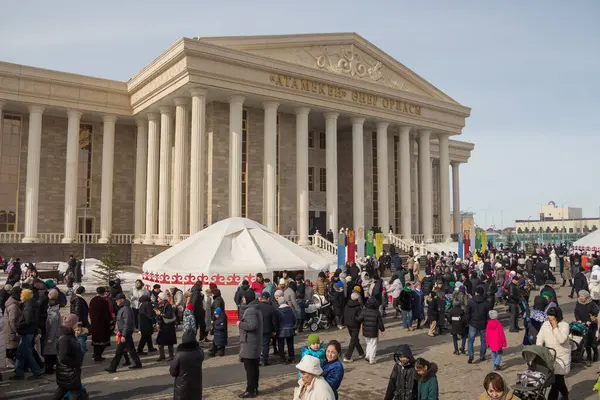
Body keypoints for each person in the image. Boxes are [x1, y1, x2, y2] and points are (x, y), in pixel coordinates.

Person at [536, 306, 570, 400]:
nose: (550, 318)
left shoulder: (564, 325)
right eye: (549, 316)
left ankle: (563, 394)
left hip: (561, 356)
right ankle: (563, 393)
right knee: (554, 380)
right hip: (549, 356)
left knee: (557, 379)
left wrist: (555, 328)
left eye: (553, 316)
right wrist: (539, 348)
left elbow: (561, 340)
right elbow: (540, 337)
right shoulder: (545, 324)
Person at [53, 314, 87, 399]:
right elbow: (63, 357)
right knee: (75, 393)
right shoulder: (65, 338)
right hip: (69, 373)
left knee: (62, 391)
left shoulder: (68, 335)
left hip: (67, 373)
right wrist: (75, 363)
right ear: (72, 324)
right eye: (76, 323)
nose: (78, 325)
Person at [105, 293, 142, 372]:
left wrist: (123, 335)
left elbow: (127, 322)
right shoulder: (124, 308)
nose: (116, 302)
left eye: (117, 300)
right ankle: (137, 363)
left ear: (121, 300)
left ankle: (112, 367)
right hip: (124, 331)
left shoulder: (125, 309)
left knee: (119, 351)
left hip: (125, 332)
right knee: (130, 349)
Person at [12, 288, 43, 380]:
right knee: (20, 353)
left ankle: (36, 372)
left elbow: (28, 321)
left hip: (27, 332)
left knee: (27, 354)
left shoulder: (29, 307)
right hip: (29, 332)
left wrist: (18, 325)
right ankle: (19, 373)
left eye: (22, 296)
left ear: (25, 297)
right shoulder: (32, 305)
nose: (20, 297)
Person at [237, 291, 263, 398]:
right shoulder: (256, 308)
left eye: (243, 298)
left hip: (250, 344)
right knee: (254, 368)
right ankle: (254, 388)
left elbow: (252, 325)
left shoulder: (251, 310)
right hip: (254, 343)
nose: (242, 300)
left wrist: (240, 324)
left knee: (250, 369)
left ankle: (250, 390)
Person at [170, 330, 204, 400]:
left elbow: (173, 372)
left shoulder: (179, 354)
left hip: (182, 388)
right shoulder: (200, 351)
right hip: (196, 387)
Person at [466, 286, 492, 364]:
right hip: (483, 323)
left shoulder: (470, 301)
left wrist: (468, 321)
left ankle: (471, 355)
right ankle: (482, 356)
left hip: (473, 322)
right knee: (483, 340)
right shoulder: (487, 303)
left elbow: (467, 313)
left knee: (470, 340)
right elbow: (488, 315)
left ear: (476, 293)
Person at [356, 296, 385, 364]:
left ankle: (368, 355)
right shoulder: (377, 312)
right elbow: (380, 323)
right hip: (374, 331)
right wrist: (382, 330)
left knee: (368, 344)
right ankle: (372, 359)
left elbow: (359, 319)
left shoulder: (364, 311)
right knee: (373, 345)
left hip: (365, 331)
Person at [574, 289, 599, 362]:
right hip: (583, 324)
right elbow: (576, 312)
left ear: (586, 297)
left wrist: (590, 321)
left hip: (592, 326)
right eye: (580, 296)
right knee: (586, 342)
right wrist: (578, 319)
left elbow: (596, 314)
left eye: (582, 296)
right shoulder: (578, 303)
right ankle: (588, 356)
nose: (581, 298)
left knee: (593, 342)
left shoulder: (592, 304)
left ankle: (596, 354)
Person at [89, 287, 112, 362]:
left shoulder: (93, 300)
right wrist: (110, 320)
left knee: (96, 341)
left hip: (94, 323)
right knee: (103, 341)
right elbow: (106, 314)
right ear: (104, 292)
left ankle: (96, 354)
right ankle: (97, 355)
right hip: (102, 324)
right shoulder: (103, 301)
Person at [343, 291, 365, 362]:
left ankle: (361, 352)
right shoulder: (358, 306)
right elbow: (360, 317)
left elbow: (345, 314)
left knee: (354, 339)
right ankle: (347, 357)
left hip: (348, 324)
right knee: (353, 340)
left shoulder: (346, 305)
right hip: (355, 325)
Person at [156, 292, 178, 362]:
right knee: (160, 341)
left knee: (169, 342)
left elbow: (169, 315)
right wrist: (157, 323)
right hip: (162, 326)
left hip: (168, 326)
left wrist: (161, 313)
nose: (158, 299)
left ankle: (171, 356)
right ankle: (162, 355)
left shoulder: (168, 305)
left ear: (162, 298)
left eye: (159, 298)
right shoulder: (160, 305)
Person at [257, 292, 277, 366]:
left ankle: (258, 359)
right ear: (268, 298)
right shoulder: (271, 308)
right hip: (267, 329)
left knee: (258, 344)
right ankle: (264, 360)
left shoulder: (257, 306)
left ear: (261, 297)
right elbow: (274, 321)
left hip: (258, 329)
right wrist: (274, 330)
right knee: (265, 345)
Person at [43, 297, 62, 374]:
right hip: (52, 337)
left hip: (52, 336)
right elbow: (52, 328)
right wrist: (50, 338)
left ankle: (49, 367)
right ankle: (49, 368)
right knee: (50, 353)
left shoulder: (50, 312)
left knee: (51, 353)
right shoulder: (54, 314)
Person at [276, 294, 296, 365]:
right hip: (290, 329)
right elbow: (294, 318)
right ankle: (292, 357)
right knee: (290, 344)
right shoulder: (290, 309)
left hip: (281, 330)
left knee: (281, 345)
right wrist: (293, 325)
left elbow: (276, 321)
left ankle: (283, 359)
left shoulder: (277, 311)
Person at [4, 286, 21, 366]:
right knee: (12, 350)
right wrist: (17, 331)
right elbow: (13, 321)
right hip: (12, 333)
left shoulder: (11, 303)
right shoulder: (14, 306)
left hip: (9, 331)